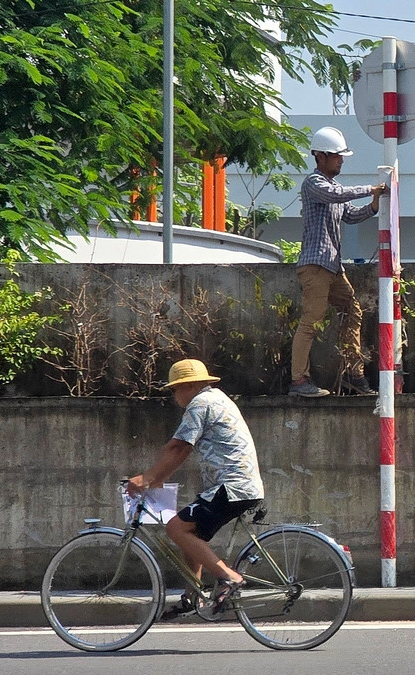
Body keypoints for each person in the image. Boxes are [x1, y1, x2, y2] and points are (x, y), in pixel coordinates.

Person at [126, 359, 265, 619]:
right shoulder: (217, 398)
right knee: (190, 531)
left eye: (175, 389)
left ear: (189, 386)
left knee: (176, 528)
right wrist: (158, 477)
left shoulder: (200, 403)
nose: (174, 395)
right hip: (238, 486)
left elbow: (179, 446)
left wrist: (147, 477)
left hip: (231, 487)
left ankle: (228, 577)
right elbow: (182, 450)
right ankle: (192, 596)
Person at [290, 126, 386, 397]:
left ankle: (354, 374)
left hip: (332, 267)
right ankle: (298, 381)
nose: (341, 160)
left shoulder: (334, 187)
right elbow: (337, 196)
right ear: (320, 156)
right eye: (336, 156)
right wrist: (370, 189)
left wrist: (374, 205)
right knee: (311, 322)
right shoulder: (314, 183)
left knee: (352, 311)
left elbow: (351, 215)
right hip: (316, 265)